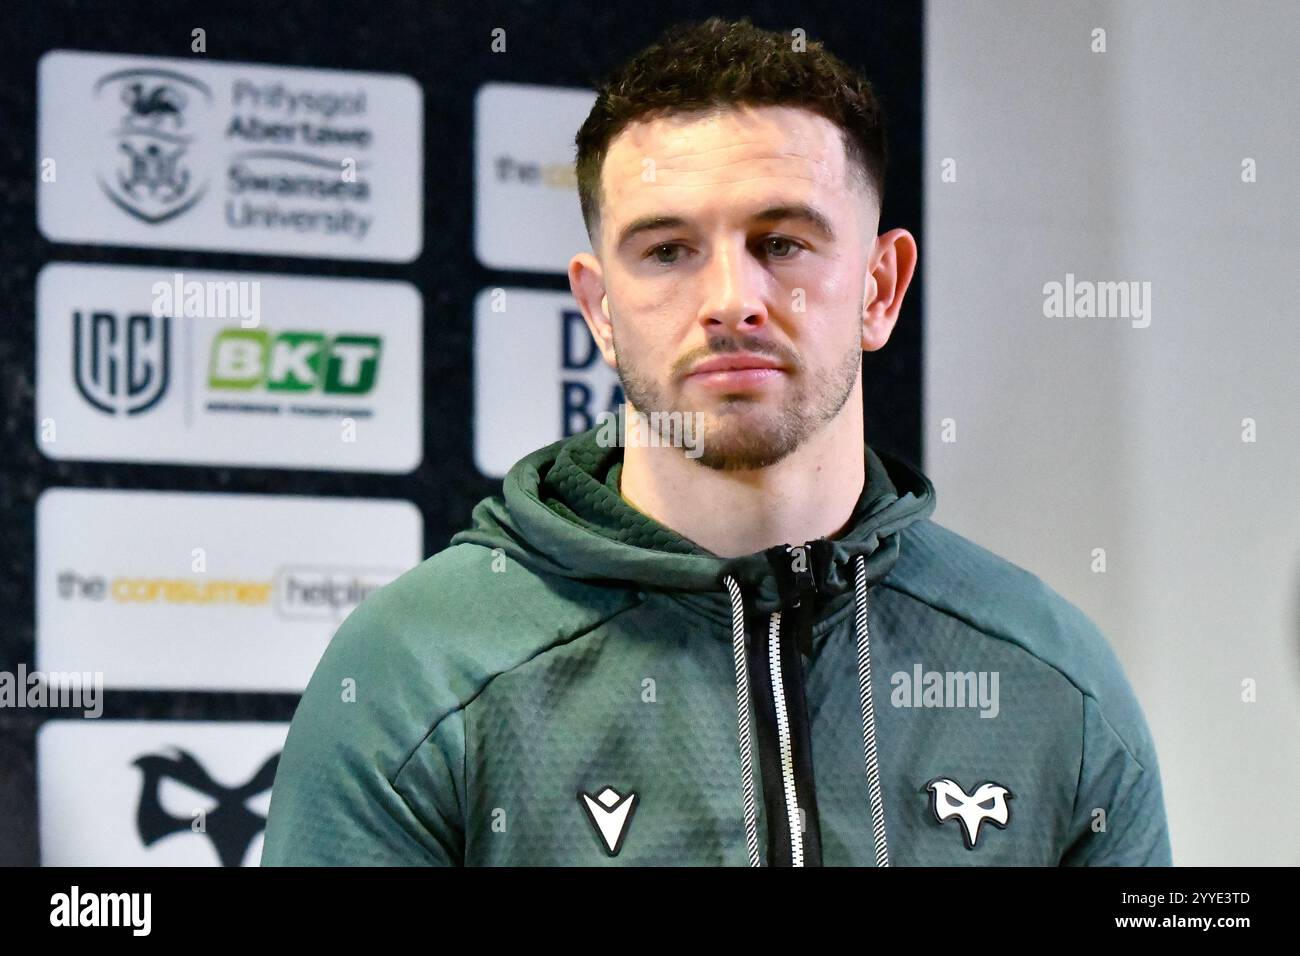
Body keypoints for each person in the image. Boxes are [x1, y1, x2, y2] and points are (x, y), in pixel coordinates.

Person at [262, 16, 1171, 866]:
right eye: (667, 250)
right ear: (599, 310)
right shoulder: (420, 670)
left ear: (881, 288)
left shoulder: (1050, 677)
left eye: (781, 243)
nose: (730, 299)